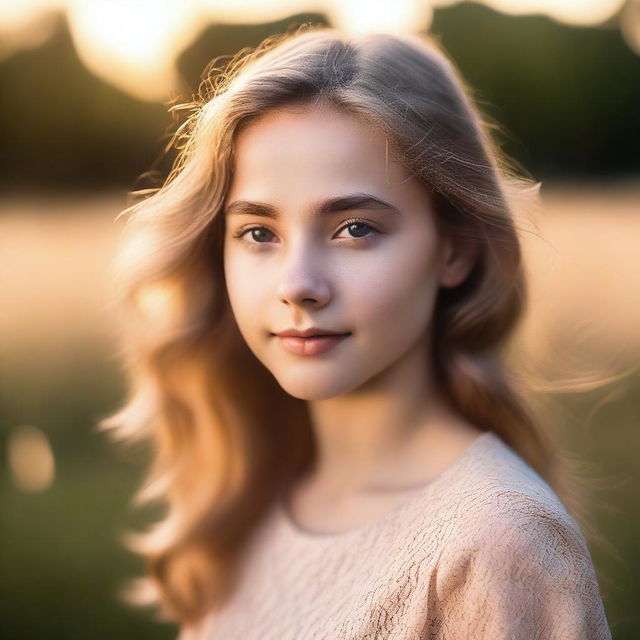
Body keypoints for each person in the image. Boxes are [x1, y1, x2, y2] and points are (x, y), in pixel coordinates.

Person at [100, 25, 612, 639]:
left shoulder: (499, 539)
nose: (299, 284)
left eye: (355, 229)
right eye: (259, 233)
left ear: (457, 250)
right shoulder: (244, 502)